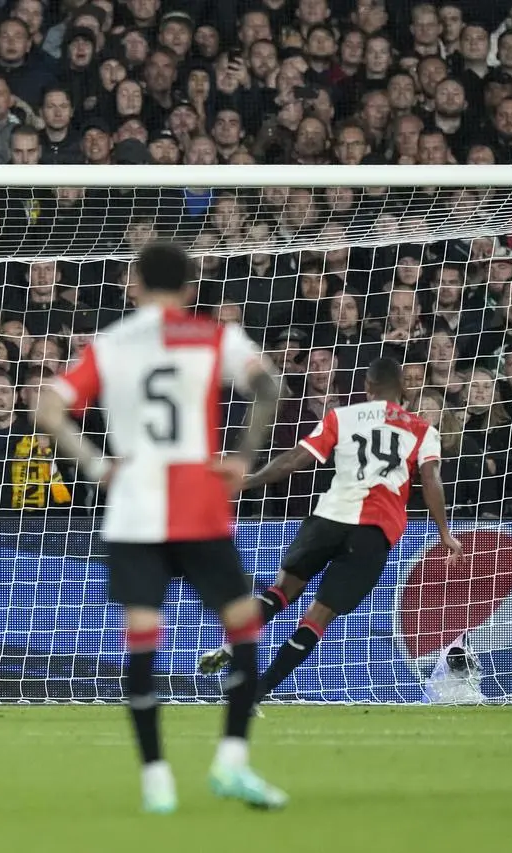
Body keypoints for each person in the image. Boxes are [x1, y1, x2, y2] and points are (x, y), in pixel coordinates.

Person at [34, 242, 286, 814]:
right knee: (243, 628)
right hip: (200, 505)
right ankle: (232, 761)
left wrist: (98, 466)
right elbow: (269, 386)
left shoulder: (110, 344)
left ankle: (155, 780)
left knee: (143, 635)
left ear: (135, 284)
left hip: (134, 507)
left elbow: (48, 407)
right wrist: (244, 457)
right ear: (192, 289)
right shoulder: (217, 337)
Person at [198, 358, 464, 700]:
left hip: (329, 518)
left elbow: (294, 460)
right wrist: (444, 532)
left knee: (281, 591)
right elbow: (431, 480)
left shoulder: (342, 416)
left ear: (367, 388)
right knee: (317, 617)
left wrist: (246, 483)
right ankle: (256, 692)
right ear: (405, 388)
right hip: (374, 530)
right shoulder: (424, 431)